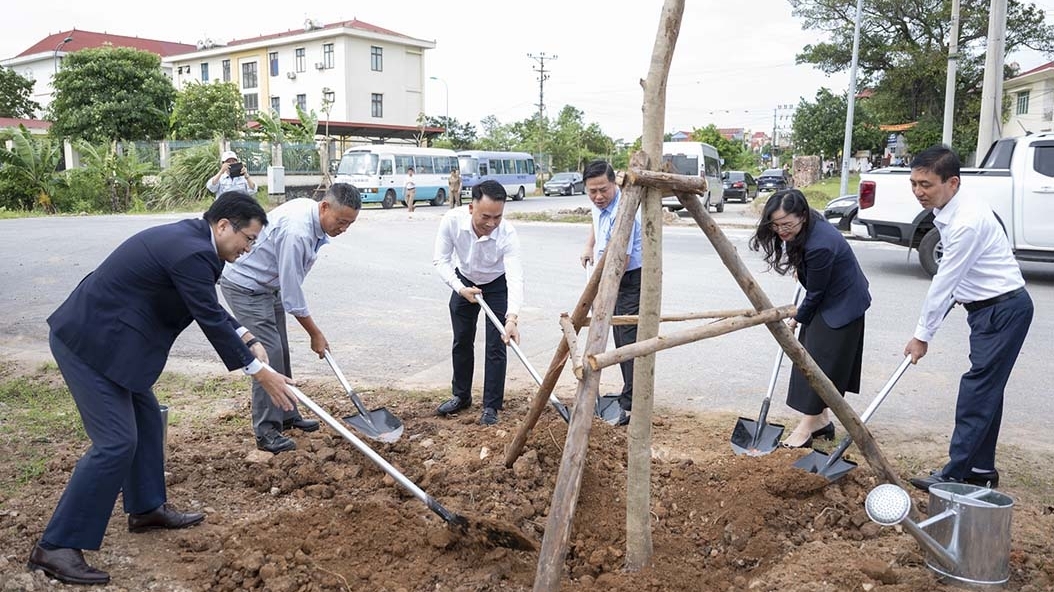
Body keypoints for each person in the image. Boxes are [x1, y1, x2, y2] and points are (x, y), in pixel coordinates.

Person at [27, 193, 296, 586]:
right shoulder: (192, 251)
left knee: (148, 422)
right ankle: (56, 546)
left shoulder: (197, 244)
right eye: (249, 239)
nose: (249, 248)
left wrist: (245, 334)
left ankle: (146, 508)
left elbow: (204, 302)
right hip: (89, 343)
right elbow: (207, 315)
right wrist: (258, 371)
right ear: (224, 226)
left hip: (114, 344)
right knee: (116, 442)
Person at [903, 146, 1034, 491]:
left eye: (926, 184)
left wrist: (922, 336)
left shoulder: (966, 222)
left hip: (1003, 311)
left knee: (977, 391)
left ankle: (955, 473)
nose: (918, 191)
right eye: (914, 183)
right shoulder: (952, 208)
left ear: (952, 183)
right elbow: (959, 279)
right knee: (987, 391)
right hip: (987, 310)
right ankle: (980, 469)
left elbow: (944, 281)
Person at [220, 184, 362, 453]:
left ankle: (286, 415)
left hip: (268, 284)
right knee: (268, 353)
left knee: (281, 349)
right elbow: (292, 295)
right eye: (341, 221)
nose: (344, 228)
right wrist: (315, 334)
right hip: (246, 285)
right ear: (324, 207)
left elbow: (288, 288)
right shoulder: (297, 232)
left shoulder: (312, 218)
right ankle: (266, 430)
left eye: (349, 223)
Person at [749, 189, 871, 448]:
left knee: (819, 366)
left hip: (842, 305)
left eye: (786, 224)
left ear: (802, 216)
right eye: (775, 225)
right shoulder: (806, 226)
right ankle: (821, 422)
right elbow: (815, 280)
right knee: (811, 356)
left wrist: (796, 319)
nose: (781, 231)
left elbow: (815, 294)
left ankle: (807, 427)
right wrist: (803, 268)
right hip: (829, 299)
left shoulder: (820, 245)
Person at [433, 179, 523, 426]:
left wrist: (512, 318)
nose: (491, 224)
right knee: (462, 340)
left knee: (496, 345)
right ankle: (461, 396)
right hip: (464, 281)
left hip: (497, 284)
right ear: (471, 207)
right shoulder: (452, 221)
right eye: (486, 217)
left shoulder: (507, 234)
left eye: (498, 217)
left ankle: (491, 406)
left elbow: (515, 277)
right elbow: (441, 260)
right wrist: (460, 288)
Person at [579, 159, 642, 426]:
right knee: (616, 335)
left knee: (628, 339)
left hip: (628, 277)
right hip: (607, 274)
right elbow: (596, 222)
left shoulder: (625, 212)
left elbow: (621, 261)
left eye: (603, 190)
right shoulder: (599, 205)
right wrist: (589, 246)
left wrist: (599, 292)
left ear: (614, 183)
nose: (598, 196)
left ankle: (631, 404)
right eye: (592, 191)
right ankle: (628, 392)